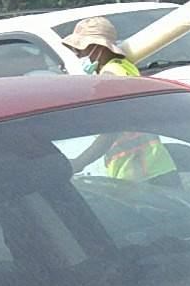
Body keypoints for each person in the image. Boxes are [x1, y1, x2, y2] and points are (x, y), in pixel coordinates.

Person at [63, 16, 176, 183]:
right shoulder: (124, 67)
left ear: (97, 46)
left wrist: (79, 162)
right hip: (157, 165)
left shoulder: (110, 77)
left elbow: (111, 132)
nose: (77, 53)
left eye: (80, 48)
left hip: (135, 174)